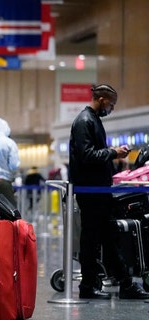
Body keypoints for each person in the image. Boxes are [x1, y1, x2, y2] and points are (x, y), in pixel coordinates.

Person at [69, 83, 149, 300]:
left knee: (104, 237)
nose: (111, 109)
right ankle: (116, 284)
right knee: (95, 239)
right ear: (102, 99)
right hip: (91, 192)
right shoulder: (85, 122)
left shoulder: (92, 120)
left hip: (97, 191)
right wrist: (113, 152)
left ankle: (116, 283)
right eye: (111, 105)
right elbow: (87, 155)